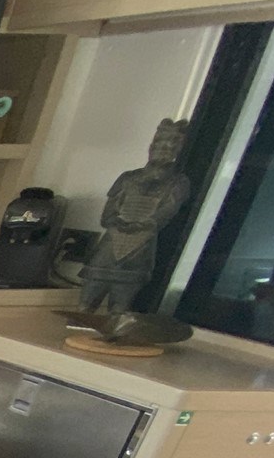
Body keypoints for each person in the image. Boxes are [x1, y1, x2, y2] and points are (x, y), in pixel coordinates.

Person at [79, 118, 191, 315]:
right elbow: (108, 213)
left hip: (139, 251)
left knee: (119, 311)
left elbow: (166, 212)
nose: (163, 149)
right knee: (85, 305)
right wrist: (116, 221)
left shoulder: (178, 182)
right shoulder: (128, 178)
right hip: (108, 249)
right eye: (158, 143)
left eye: (171, 145)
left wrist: (144, 224)